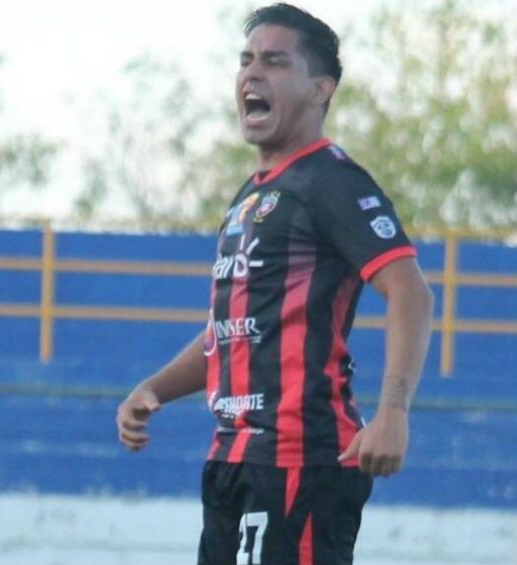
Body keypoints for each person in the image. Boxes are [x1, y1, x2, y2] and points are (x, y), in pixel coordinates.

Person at [116, 4, 434, 564]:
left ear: (320, 88)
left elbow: (411, 292)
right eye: (245, 61)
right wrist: (157, 388)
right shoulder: (252, 195)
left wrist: (394, 412)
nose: (251, 74)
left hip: (300, 460)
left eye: (274, 61)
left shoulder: (330, 181)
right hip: (236, 459)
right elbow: (233, 325)